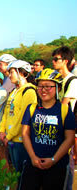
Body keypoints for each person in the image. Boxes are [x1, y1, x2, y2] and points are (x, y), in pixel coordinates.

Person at [20, 68, 76, 190]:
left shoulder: (65, 110)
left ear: (58, 88)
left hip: (57, 165)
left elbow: (70, 139)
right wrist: (33, 157)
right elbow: (25, 134)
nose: (43, 90)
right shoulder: (31, 108)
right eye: (40, 86)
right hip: (33, 163)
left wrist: (53, 159)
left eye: (48, 86)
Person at [0, 60, 37, 175]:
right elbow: (6, 112)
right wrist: (2, 130)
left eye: (12, 72)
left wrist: (9, 136)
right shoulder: (14, 91)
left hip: (20, 140)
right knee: (16, 172)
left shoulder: (29, 91)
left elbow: (23, 119)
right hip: (10, 139)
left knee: (23, 173)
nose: (9, 76)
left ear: (21, 72)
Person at [51, 46, 77, 190]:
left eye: (56, 59)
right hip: (57, 126)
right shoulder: (58, 79)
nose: (53, 62)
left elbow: (63, 104)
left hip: (66, 127)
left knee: (67, 163)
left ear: (65, 61)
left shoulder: (72, 81)